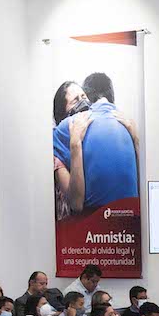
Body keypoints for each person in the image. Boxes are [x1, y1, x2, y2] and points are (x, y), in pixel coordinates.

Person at [53, 74, 141, 220]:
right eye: (76, 100)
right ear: (63, 113)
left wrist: (136, 140)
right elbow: (76, 203)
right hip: (74, 229)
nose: (83, 103)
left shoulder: (91, 134)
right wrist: (75, 143)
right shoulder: (59, 143)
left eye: (84, 96)